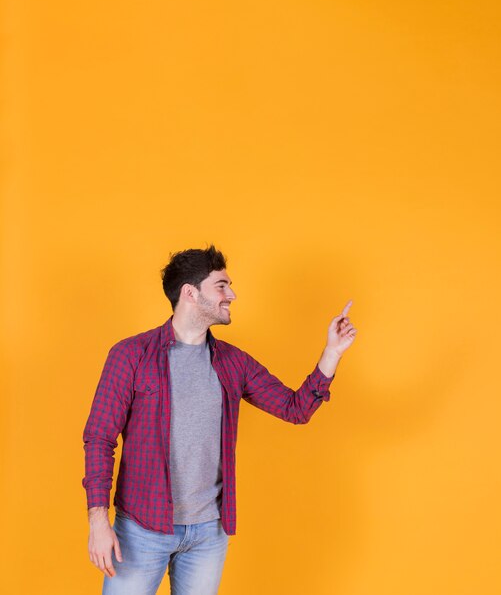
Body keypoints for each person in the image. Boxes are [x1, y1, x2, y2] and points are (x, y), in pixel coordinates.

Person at [82, 246, 357, 594]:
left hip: (208, 535)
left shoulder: (233, 363)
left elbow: (295, 408)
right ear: (190, 293)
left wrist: (331, 353)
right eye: (222, 286)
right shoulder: (131, 356)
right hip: (140, 530)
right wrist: (98, 521)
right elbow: (99, 438)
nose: (232, 294)